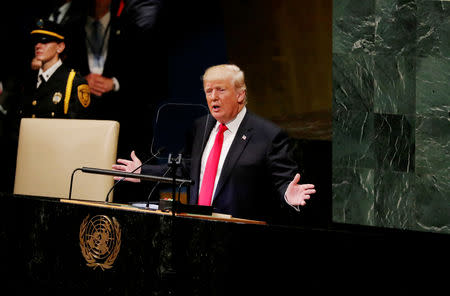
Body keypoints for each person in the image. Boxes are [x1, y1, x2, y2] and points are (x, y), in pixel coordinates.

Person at [113, 64, 316, 221]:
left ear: (240, 94)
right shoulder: (200, 127)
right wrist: (142, 172)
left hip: (241, 239)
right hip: (197, 232)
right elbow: (186, 169)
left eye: (220, 90)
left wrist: (288, 196)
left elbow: (282, 183)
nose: (213, 97)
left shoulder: (268, 135)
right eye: (208, 91)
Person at [18, 19, 91, 119]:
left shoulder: (73, 82)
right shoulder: (28, 78)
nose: (38, 46)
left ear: (60, 47)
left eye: (45, 41)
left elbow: (76, 126)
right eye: (36, 41)